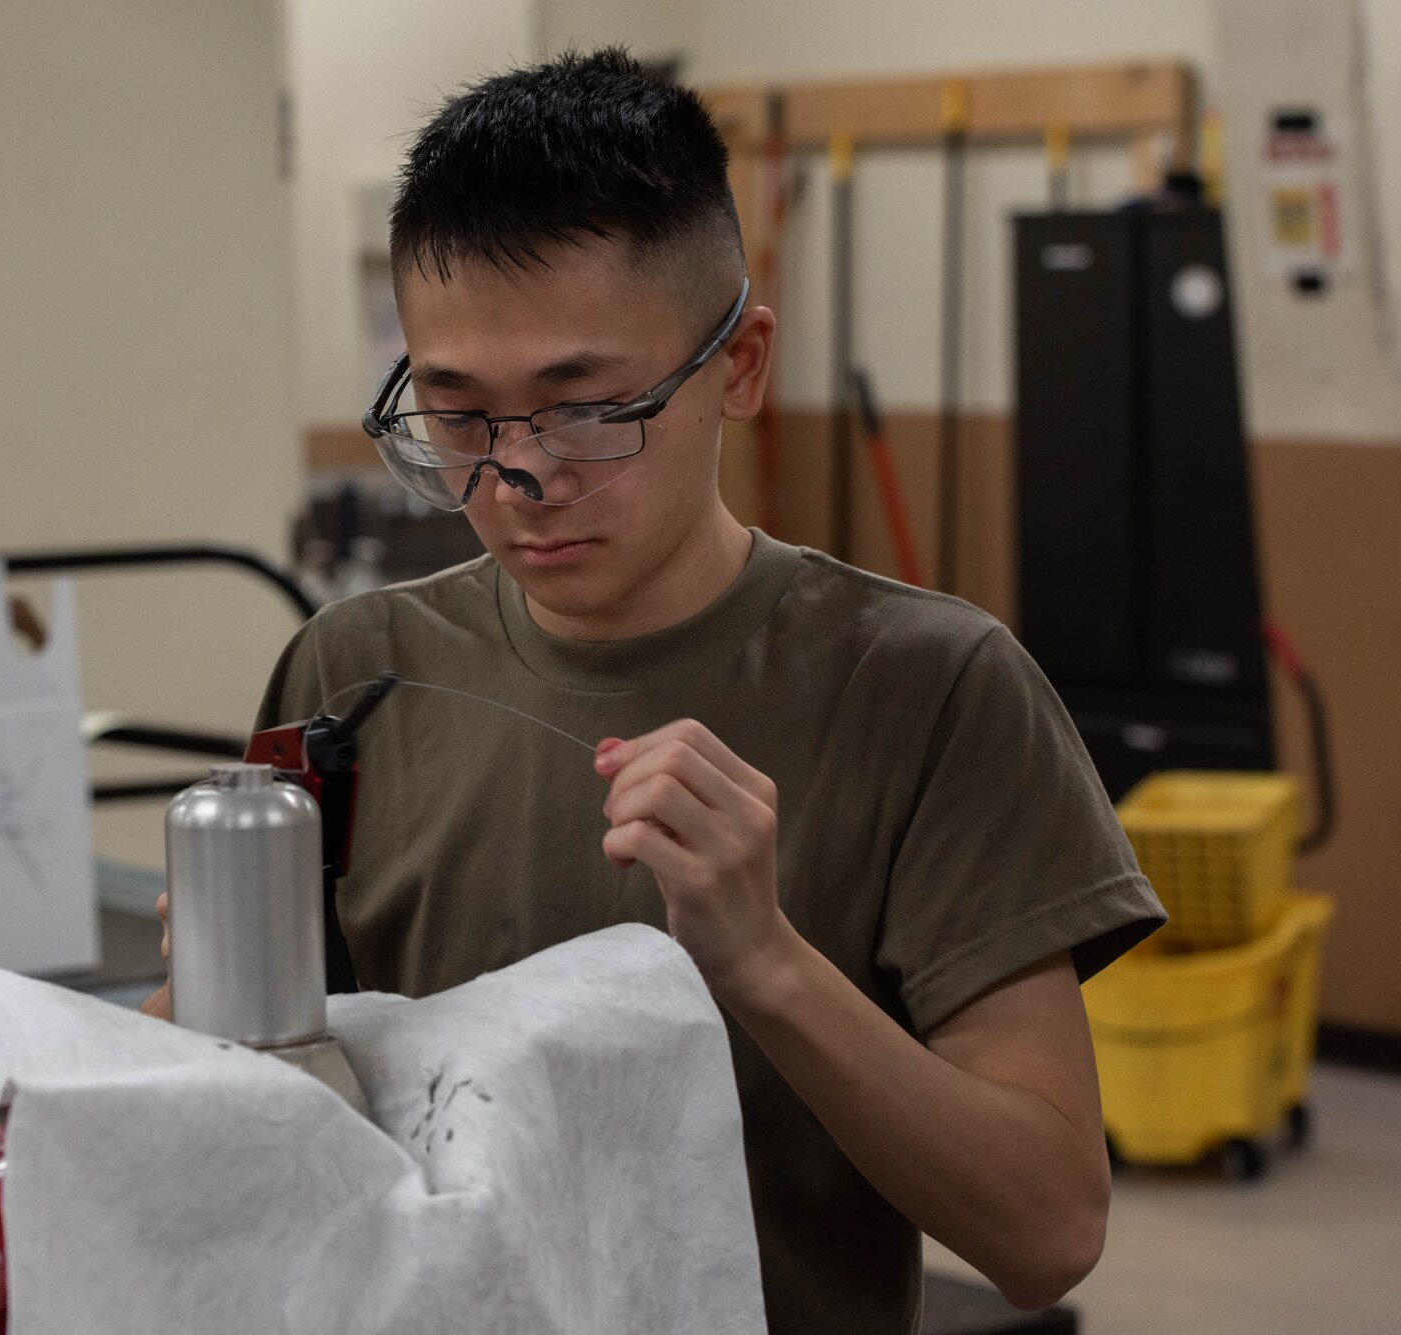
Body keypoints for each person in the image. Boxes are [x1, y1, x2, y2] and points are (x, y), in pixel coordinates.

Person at [145, 47, 1163, 1333]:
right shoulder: (351, 671)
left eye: (586, 411)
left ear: (737, 364)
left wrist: (767, 964)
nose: (518, 476)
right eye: (456, 415)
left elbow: (1044, 1232)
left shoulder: (930, 689)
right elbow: (243, 1115)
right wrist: (201, 1014)